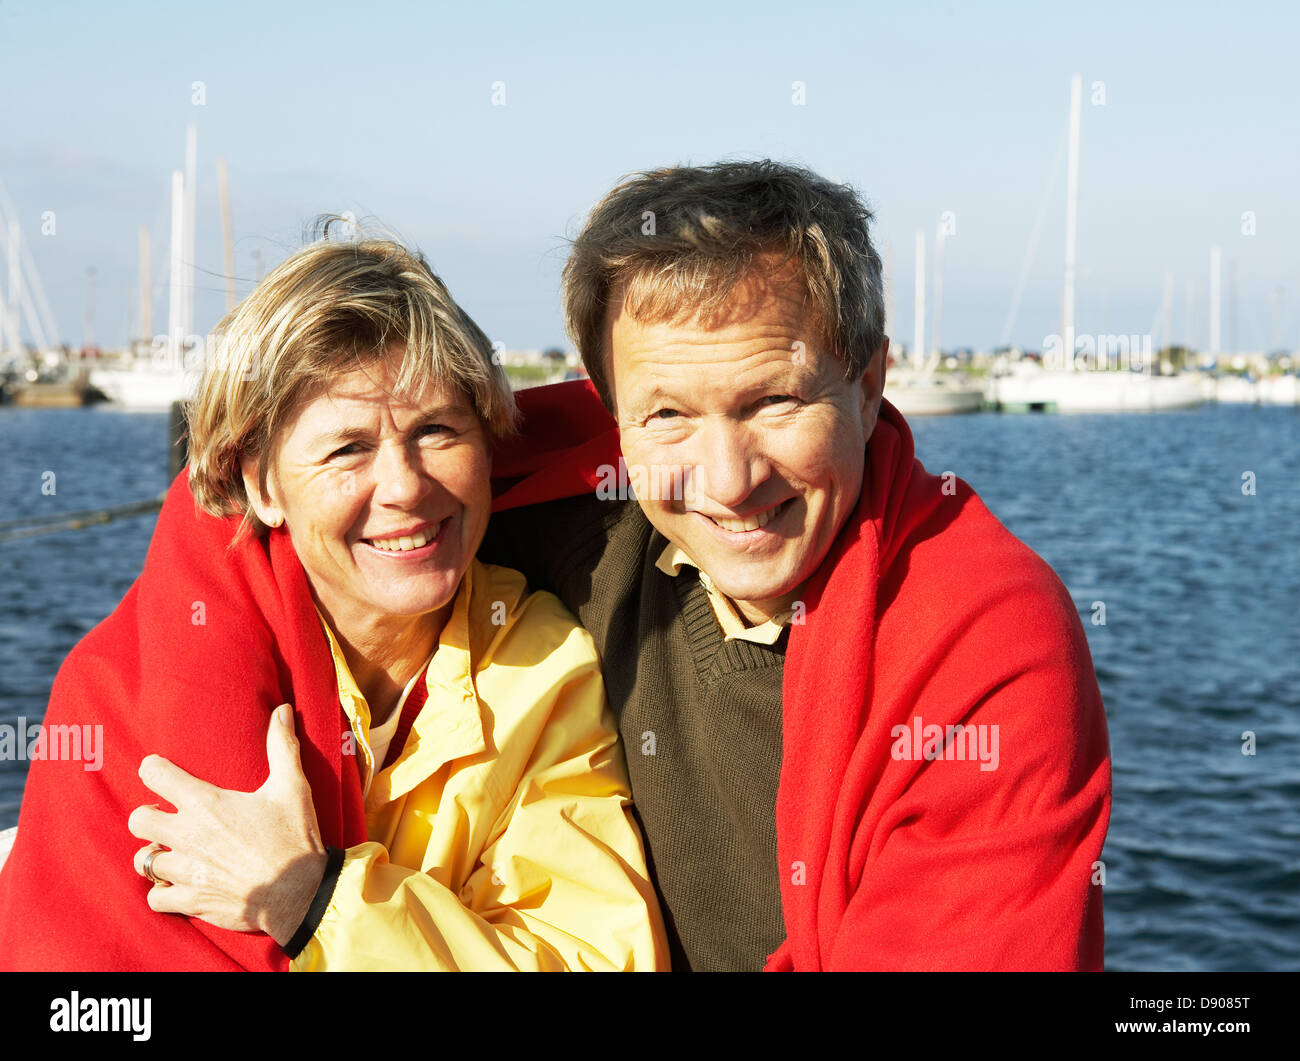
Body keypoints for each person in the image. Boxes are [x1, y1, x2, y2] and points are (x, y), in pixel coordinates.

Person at [476, 160, 1113, 971]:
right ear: (613, 419)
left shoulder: (989, 642)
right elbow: (320, 532)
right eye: (667, 414)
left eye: (773, 402)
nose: (729, 479)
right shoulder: (569, 522)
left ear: (869, 383)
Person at [0, 230, 667, 971]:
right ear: (260, 485)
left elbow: (597, 960)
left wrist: (312, 901)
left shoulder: (539, 667)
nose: (408, 485)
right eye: (348, 448)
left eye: (437, 429)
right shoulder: (123, 688)